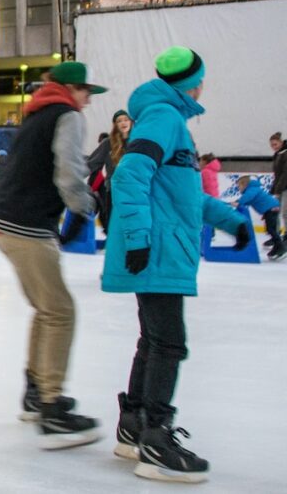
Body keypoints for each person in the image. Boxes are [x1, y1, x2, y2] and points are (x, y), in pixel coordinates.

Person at [102, 47, 248, 484]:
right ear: (193, 84)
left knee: (154, 341)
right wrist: (139, 239)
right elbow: (130, 174)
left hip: (160, 244)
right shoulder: (164, 117)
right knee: (168, 344)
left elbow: (183, 193)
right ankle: (156, 441)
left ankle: (134, 426)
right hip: (158, 248)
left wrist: (233, 221)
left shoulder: (164, 118)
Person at [0, 61, 104, 448]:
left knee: (46, 309)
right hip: (27, 225)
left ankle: (37, 392)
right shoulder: (66, 115)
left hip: (6, 220)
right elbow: (69, 170)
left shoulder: (36, 112)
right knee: (60, 312)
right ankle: (51, 408)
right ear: (72, 88)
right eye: (86, 91)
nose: (88, 100)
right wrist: (85, 206)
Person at [86, 110, 133, 236]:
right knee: (113, 227)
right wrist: (73, 175)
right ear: (115, 125)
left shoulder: (137, 142)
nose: (123, 123)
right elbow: (92, 163)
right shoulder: (108, 143)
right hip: (113, 191)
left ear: (131, 122)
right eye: (119, 121)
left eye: (126, 120)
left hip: (134, 190)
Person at [234, 175, 285, 260]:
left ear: (244, 184)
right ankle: (277, 246)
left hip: (271, 208)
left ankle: (280, 247)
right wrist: (238, 202)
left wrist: (239, 202)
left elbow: (248, 197)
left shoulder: (252, 189)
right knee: (270, 229)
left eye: (239, 186)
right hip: (270, 209)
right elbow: (248, 201)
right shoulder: (253, 189)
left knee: (271, 229)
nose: (238, 188)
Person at [271, 132, 287, 240]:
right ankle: (275, 235)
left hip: (285, 188)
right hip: (280, 188)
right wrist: (273, 189)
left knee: (285, 213)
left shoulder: (285, 154)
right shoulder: (278, 154)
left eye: (275, 144)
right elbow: (277, 175)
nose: (273, 147)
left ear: (281, 143)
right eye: (272, 145)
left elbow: (285, 175)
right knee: (275, 211)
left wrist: (278, 190)